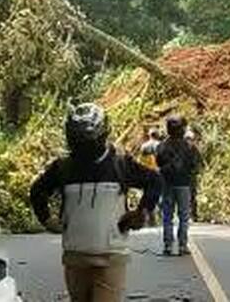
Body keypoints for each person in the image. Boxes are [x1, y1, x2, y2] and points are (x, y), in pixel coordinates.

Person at [30, 103, 161, 302]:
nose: (84, 146)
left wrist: (141, 213)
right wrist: (47, 219)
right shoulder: (63, 167)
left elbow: (154, 181)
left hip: (110, 255)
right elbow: (37, 190)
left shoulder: (119, 164)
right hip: (75, 256)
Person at [156, 115, 200, 256]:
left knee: (167, 216)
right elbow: (195, 166)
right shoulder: (189, 146)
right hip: (184, 185)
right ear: (182, 129)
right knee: (183, 216)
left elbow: (158, 162)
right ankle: (182, 246)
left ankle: (168, 245)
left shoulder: (162, 145)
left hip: (167, 184)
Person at [184, 129, 204, 222]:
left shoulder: (195, 150)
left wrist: (197, 171)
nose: (189, 141)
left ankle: (193, 215)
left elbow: (200, 163)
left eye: (191, 139)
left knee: (192, 195)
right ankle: (184, 215)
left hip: (192, 176)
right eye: (187, 139)